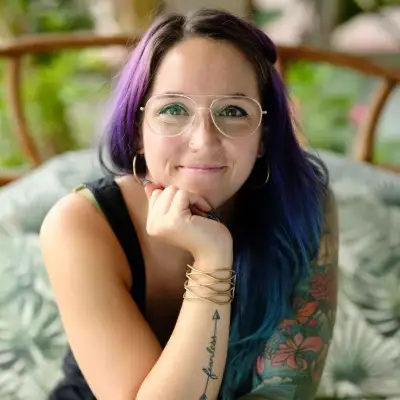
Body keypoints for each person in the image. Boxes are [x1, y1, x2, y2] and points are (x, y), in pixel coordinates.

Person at [40, 8, 338, 400]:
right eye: (173, 110)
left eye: (233, 111)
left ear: (264, 136)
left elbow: (288, 388)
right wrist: (212, 258)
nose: (203, 141)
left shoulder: (303, 205)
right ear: (138, 130)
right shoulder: (79, 224)